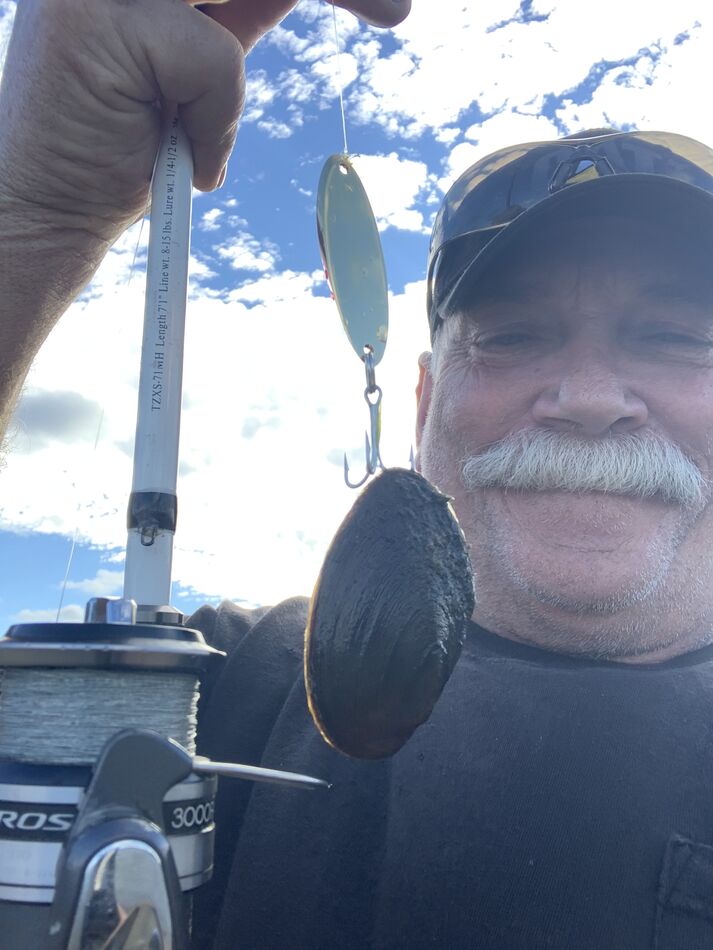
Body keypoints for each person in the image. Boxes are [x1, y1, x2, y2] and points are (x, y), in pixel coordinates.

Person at [3, 3, 713, 949]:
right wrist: (36, 214)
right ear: (421, 402)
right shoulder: (209, 690)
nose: (586, 397)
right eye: (511, 337)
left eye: (671, 337)